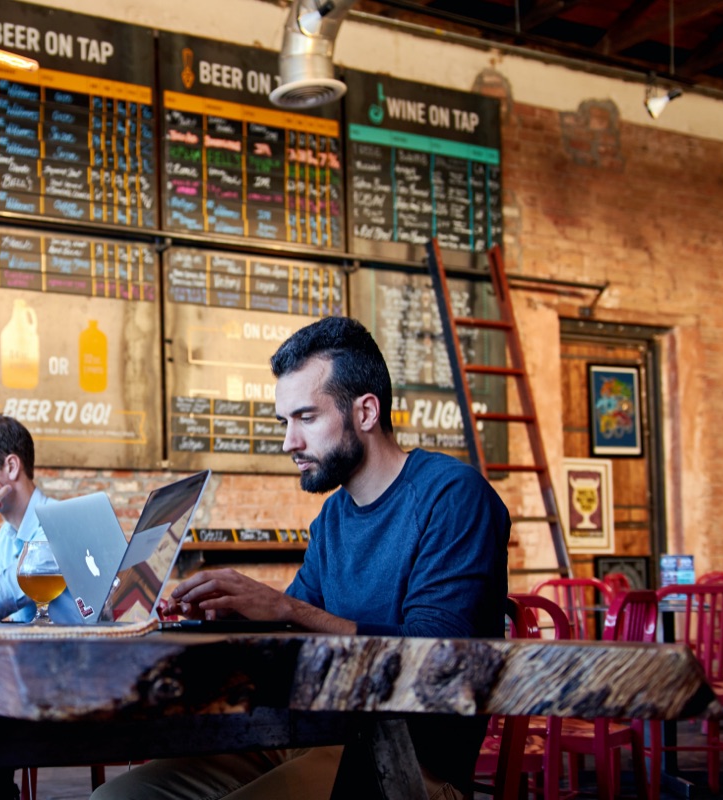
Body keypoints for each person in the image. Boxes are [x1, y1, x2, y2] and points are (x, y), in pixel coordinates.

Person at [93, 316, 510, 800]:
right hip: (308, 733)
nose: (289, 442)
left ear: (366, 412)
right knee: (116, 798)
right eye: (284, 422)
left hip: (408, 759)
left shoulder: (453, 496)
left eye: (306, 418)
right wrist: (223, 614)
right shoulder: (332, 517)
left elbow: (436, 657)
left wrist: (286, 608)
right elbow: (292, 632)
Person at [0, 414, 81, 624]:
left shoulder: (57, 525)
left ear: (11, 466)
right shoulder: (7, 535)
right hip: (36, 651)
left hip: (77, 653)